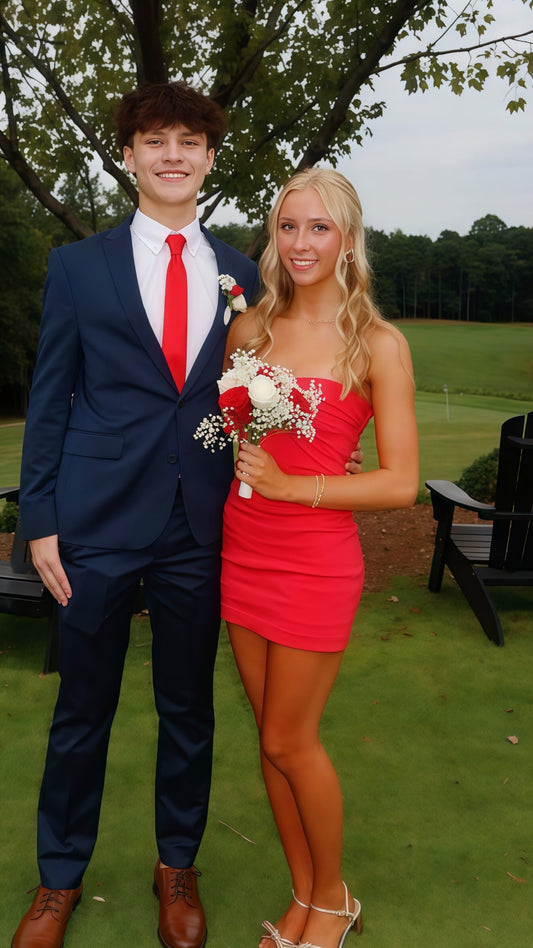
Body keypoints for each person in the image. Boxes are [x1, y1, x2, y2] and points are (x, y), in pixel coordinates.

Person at [12, 81, 260, 948]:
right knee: (82, 710)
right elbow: (51, 397)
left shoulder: (242, 273)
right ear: (128, 157)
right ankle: (58, 880)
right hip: (93, 524)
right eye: (154, 141)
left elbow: (254, 393)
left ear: (209, 158)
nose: (172, 155)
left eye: (189, 141)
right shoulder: (77, 266)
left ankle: (176, 867)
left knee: (188, 709)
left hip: (199, 525)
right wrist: (38, 518)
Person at [220, 168, 419, 948]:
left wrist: (296, 485)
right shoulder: (249, 331)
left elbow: (400, 483)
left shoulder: (378, 344)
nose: (300, 243)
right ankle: (305, 896)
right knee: (268, 740)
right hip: (244, 551)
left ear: (347, 239)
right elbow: (237, 437)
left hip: (314, 564)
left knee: (287, 739)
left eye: (318, 227)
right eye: (287, 226)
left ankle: (333, 902)